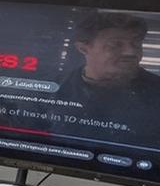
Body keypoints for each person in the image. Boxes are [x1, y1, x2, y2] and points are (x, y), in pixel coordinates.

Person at [53, 11, 160, 141]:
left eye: (136, 43)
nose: (131, 51)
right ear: (83, 48)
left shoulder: (156, 92)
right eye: (115, 45)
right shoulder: (52, 90)